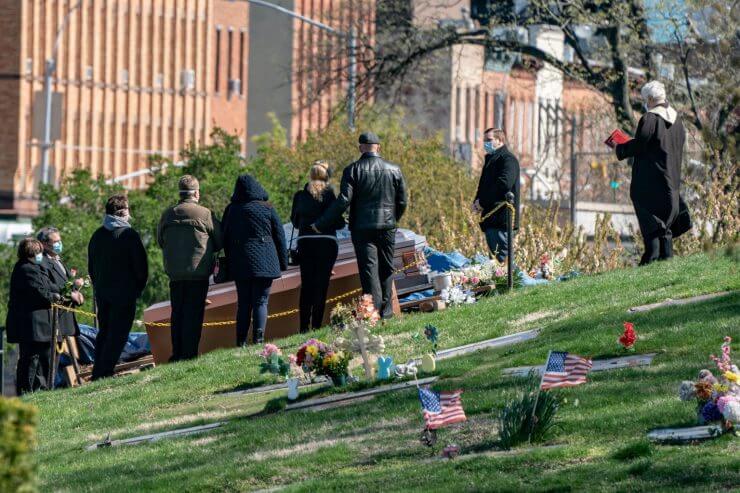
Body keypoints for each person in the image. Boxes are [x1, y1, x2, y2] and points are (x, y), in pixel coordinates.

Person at [313, 132, 407, 319]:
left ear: (360, 147)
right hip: (387, 226)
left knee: (368, 270)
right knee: (387, 268)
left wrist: (321, 223)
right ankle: (387, 311)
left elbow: (344, 200)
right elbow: (402, 201)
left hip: (362, 228)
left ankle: (372, 312)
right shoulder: (394, 169)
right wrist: (393, 218)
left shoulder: (352, 170)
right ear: (378, 147)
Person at [614, 80, 685, 265]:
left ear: (651, 99)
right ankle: (666, 266)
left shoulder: (650, 118)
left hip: (650, 187)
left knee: (652, 230)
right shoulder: (677, 121)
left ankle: (649, 265)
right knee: (665, 232)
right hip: (672, 187)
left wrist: (621, 147)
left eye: (646, 100)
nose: (645, 103)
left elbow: (640, 144)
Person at [158, 175, 223, 361]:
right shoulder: (205, 214)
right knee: (193, 315)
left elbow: (160, 240)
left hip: (175, 274)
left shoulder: (168, 214)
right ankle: (189, 354)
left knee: (177, 313)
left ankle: (176, 353)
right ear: (196, 193)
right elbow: (219, 240)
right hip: (198, 272)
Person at [88, 195, 149, 379]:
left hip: (103, 293)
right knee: (118, 334)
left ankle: (98, 370)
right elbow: (141, 267)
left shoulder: (97, 235)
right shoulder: (128, 235)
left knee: (104, 332)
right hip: (124, 293)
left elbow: (91, 267)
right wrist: (138, 288)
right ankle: (103, 372)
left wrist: (98, 285)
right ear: (123, 212)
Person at [223, 174, 288, 346]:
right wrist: (283, 262)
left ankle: (241, 342)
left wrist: (229, 260)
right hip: (266, 260)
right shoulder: (267, 207)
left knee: (243, 303)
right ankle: (259, 339)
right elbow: (280, 235)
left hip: (240, 262)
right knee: (261, 301)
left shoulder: (232, 210)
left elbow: (225, 237)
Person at [290, 161, 346, 332]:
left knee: (307, 285)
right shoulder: (329, 195)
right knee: (321, 285)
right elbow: (338, 222)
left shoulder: (300, 196)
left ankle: (303, 327)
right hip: (327, 243)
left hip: (306, 242)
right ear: (326, 177)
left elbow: (295, 222)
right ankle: (316, 325)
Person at [5, 238, 62, 394]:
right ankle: (28, 391)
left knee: (40, 358)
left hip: (38, 325)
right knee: (31, 359)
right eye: (39, 252)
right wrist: (56, 297)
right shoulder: (26, 269)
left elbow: (49, 285)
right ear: (33, 252)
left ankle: (40, 389)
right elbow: (40, 293)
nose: (41, 255)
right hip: (31, 325)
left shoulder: (33, 267)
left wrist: (62, 290)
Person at [472, 128, 520, 263]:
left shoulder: (507, 160)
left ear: (500, 140)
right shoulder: (491, 160)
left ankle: (511, 284)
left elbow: (503, 185)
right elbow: (484, 186)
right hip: (491, 220)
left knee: (503, 262)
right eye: (484, 140)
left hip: (501, 220)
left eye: (489, 140)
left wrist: (483, 202)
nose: (485, 143)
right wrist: (477, 201)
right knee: (495, 261)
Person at [36, 226, 82, 343]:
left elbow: (64, 283)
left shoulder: (57, 259)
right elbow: (48, 286)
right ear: (44, 244)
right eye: (56, 242)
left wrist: (76, 290)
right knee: (50, 359)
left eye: (60, 240)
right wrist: (70, 291)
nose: (59, 244)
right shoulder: (41, 262)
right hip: (53, 320)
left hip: (64, 317)